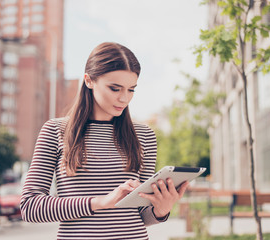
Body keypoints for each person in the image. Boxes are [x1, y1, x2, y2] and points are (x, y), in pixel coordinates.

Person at [20, 42, 189, 240]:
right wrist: (101, 202)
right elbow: (29, 207)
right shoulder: (55, 131)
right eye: (115, 88)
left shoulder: (144, 135)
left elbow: (142, 215)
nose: (124, 99)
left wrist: (162, 209)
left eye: (131, 89)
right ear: (89, 81)